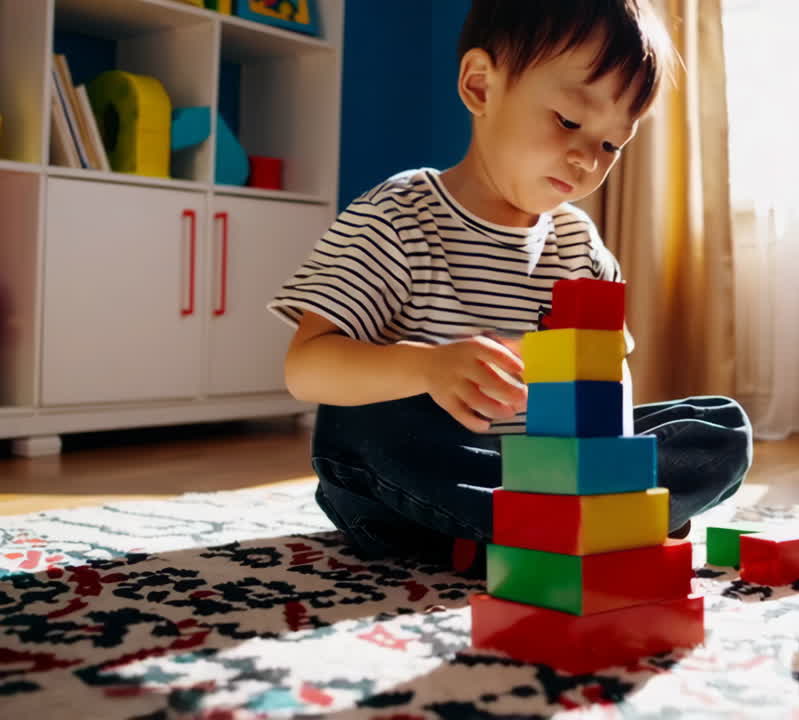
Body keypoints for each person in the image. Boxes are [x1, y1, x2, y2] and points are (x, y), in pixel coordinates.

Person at [267, 0, 752, 576]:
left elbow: (610, 377)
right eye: (569, 121)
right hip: (433, 461)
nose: (585, 160)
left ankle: (557, 518)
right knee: (359, 425)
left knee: (720, 427)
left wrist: (605, 447)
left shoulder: (580, 246)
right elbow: (306, 368)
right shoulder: (399, 215)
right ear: (480, 87)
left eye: (610, 146)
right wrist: (425, 369)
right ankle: (571, 523)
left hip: (537, 466)